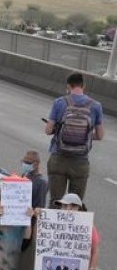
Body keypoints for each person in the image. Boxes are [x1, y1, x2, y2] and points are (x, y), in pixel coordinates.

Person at [43, 72, 105, 204]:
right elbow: (100, 135)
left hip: (58, 158)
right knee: (75, 204)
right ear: (84, 86)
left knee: (56, 201)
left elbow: (48, 130)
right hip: (80, 162)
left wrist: (59, 131)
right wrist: (85, 136)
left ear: (68, 86)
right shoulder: (96, 106)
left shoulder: (59, 102)